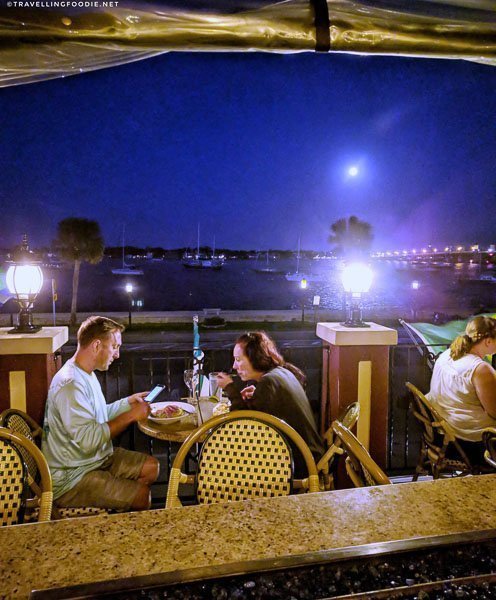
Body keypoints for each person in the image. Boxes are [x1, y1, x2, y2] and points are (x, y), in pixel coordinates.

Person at [41, 316, 159, 511]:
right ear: (96, 346)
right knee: (142, 496)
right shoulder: (70, 385)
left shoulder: (86, 373)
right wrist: (130, 416)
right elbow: (88, 440)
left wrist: (128, 403)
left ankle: (120, 508)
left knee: (152, 468)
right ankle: (123, 517)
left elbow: (98, 415)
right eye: (114, 347)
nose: (117, 354)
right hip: (72, 476)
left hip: (96, 459)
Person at [217, 331, 324, 475]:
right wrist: (257, 395)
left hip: (300, 464)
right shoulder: (280, 372)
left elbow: (242, 426)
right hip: (309, 454)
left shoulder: (268, 382)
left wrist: (230, 388)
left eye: (238, 359)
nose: (234, 366)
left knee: (227, 462)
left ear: (254, 358)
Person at [427, 315, 496, 464]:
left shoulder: (447, 355)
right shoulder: (480, 369)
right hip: (470, 442)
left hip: (445, 434)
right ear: (488, 341)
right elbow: (494, 411)